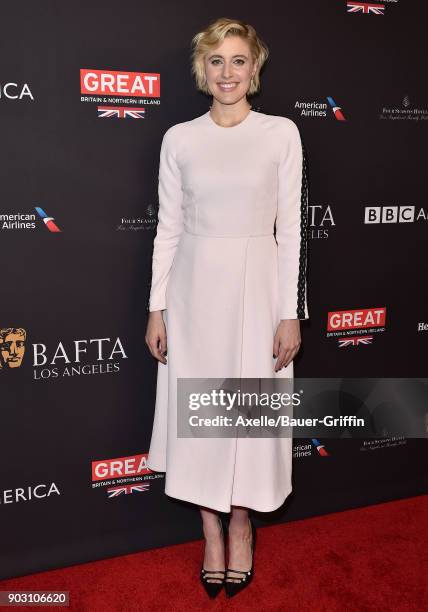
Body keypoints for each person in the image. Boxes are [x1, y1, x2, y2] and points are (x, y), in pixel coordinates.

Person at [144, 17, 309, 599]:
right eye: (217, 61)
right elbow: (168, 228)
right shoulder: (180, 140)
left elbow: (290, 232)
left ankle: (242, 524)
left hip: (259, 289)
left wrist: (289, 311)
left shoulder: (281, 134)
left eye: (239, 60)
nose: (227, 72)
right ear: (202, 71)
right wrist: (157, 307)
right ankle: (209, 530)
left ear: (255, 68)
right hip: (193, 291)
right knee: (201, 419)